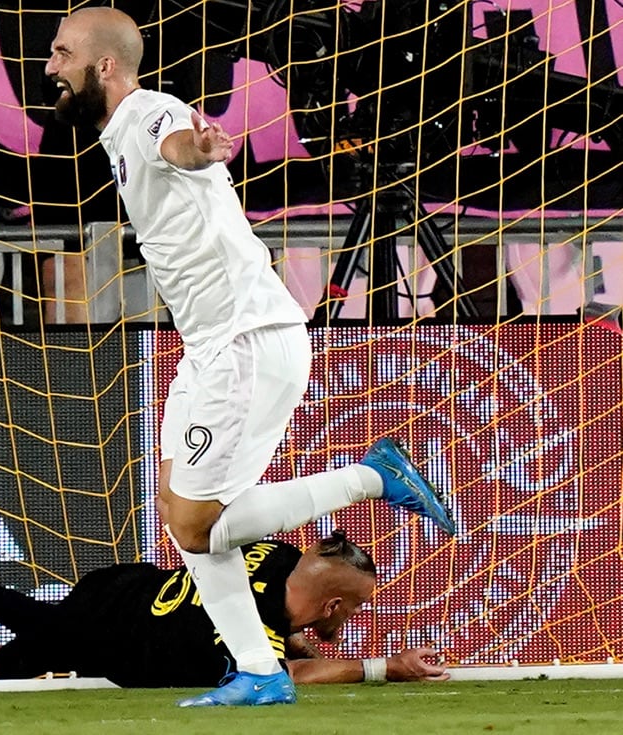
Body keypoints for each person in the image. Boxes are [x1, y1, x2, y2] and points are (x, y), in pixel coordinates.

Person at [41, 6, 457, 707]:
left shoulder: (149, 111)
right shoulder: (118, 131)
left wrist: (198, 148)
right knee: (185, 520)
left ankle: (370, 477)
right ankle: (260, 670)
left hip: (247, 343)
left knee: (198, 524)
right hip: (207, 349)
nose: (49, 66)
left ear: (103, 65)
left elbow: (176, 143)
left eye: (60, 52)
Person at [0, 531, 448, 688]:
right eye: (345, 616)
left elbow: (280, 629)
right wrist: (384, 666)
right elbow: (282, 672)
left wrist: (302, 642)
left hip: (126, 586)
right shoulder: (264, 629)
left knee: (7, 653)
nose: (340, 630)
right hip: (115, 637)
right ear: (331, 603)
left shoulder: (272, 549)